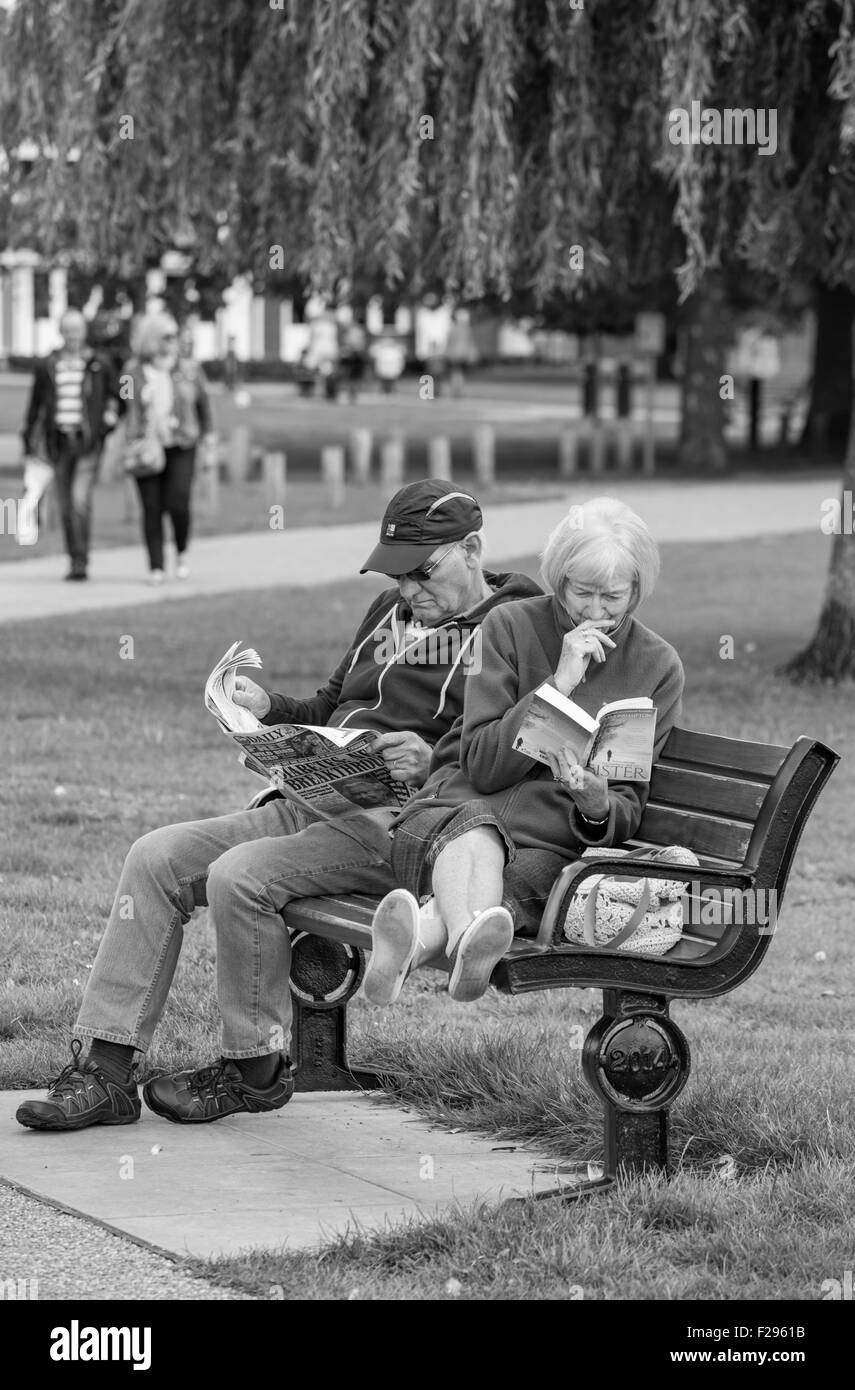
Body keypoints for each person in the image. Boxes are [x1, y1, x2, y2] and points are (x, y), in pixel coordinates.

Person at [16, 480, 541, 1132]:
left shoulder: (517, 627)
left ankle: (254, 1072)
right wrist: (271, 714)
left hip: (402, 823)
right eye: (396, 576)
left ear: (472, 548)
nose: (408, 592)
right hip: (314, 797)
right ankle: (106, 1073)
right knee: (154, 857)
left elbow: (512, 754)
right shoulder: (388, 612)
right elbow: (330, 708)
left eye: (422, 574)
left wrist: (433, 762)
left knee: (242, 875)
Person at [362, 497, 685, 1007]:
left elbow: (625, 809)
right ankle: (459, 938)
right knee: (476, 827)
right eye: (582, 593)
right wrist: (556, 687)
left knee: (516, 894)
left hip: (545, 848)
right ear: (559, 580)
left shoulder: (657, 667)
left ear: (638, 590)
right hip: (445, 818)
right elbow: (485, 767)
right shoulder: (509, 626)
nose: (595, 612)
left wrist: (596, 803)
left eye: (614, 597)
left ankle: (422, 937)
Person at [21, 308, 119, 581]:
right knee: (65, 503)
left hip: (88, 442)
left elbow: (125, 384)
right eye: (67, 331)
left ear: (84, 332)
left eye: (77, 330)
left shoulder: (100, 363)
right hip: (58, 442)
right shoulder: (48, 366)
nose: (72, 336)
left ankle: (81, 560)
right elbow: (36, 405)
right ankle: (74, 557)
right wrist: (28, 440)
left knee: (79, 499)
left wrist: (116, 412)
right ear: (60, 333)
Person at [124, 313, 208, 584]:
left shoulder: (189, 370)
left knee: (178, 500)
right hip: (146, 447)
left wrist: (209, 437)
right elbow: (123, 402)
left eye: (175, 336)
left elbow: (203, 406)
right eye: (167, 336)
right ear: (152, 339)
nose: (173, 342)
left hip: (181, 443)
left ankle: (182, 551)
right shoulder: (132, 372)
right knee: (151, 506)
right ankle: (156, 566)